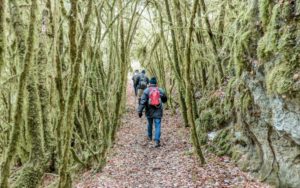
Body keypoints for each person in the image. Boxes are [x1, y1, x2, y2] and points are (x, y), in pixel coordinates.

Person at [137, 77, 167, 148]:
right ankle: (157, 141)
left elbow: (143, 102)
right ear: (156, 83)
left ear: (149, 83)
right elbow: (165, 100)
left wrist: (140, 111)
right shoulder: (160, 90)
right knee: (158, 125)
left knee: (149, 124)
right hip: (158, 110)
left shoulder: (146, 91)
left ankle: (150, 137)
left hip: (149, 111)